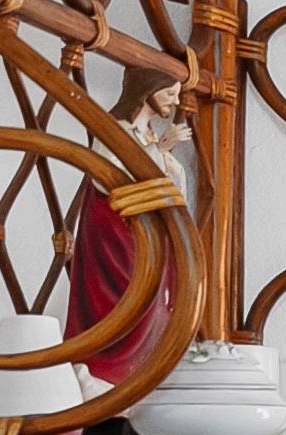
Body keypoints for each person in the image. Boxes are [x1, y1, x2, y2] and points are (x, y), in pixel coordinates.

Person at [64, 65, 193, 389]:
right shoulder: (114, 129)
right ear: (148, 89)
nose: (175, 102)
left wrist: (164, 157)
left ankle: (132, 373)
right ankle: (101, 372)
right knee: (118, 297)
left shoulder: (146, 132)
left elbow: (168, 179)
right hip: (113, 230)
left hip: (144, 230)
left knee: (150, 297)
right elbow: (107, 176)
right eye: (169, 93)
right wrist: (159, 150)